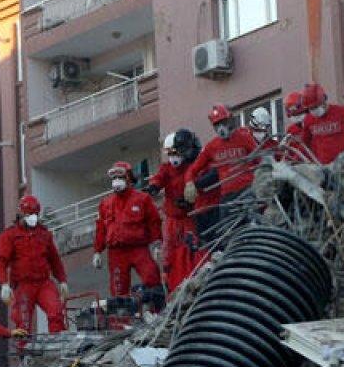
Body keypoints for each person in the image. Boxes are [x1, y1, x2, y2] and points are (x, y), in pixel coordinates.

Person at [92, 161, 164, 312]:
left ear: (129, 179)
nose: (116, 181)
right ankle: (123, 319)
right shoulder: (105, 204)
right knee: (118, 289)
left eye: (120, 177)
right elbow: (100, 229)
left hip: (139, 249)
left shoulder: (142, 199)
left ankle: (158, 311)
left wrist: (157, 244)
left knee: (152, 277)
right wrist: (97, 251)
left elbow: (154, 222)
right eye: (114, 178)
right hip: (116, 252)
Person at [0, 195, 70, 336]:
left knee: (56, 312)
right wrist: (4, 283)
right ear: (21, 214)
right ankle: (25, 354)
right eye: (30, 214)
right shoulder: (9, 235)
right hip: (23, 284)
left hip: (43, 283)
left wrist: (62, 280)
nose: (33, 217)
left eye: (35, 214)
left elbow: (54, 260)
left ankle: (58, 345)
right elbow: (1, 261)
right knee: (23, 322)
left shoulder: (44, 234)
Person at [184, 105, 259, 239]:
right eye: (217, 124)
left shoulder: (245, 137)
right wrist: (189, 183)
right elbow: (193, 169)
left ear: (230, 120)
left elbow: (260, 159)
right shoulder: (212, 146)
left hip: (248, 191)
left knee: (253, 226)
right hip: (227, 197)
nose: (221, 127)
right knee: (227, 235)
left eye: (223, 122)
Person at [147, 130, 203, 292]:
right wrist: (154, 187)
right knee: (169, 253)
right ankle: (170, 283)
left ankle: (193, 280)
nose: (173, 157)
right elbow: (159, 178)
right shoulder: (166, 169)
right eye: (170, 153)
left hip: (189, 217)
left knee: (190, 249)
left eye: (176, 152)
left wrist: (188, 203)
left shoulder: (191, 168)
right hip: (172, 219)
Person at [301, 83, 344, 164]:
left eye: (315, 107)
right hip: (322, 168)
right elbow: (304, 144)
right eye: (310, 109)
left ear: (323, 101)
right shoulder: (308, 119)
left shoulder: (342, 112)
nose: (313, 110)